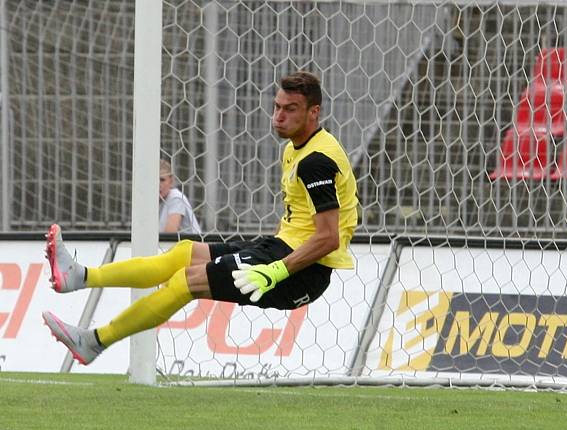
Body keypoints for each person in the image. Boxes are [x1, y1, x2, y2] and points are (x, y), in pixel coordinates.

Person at [42, 71, 360, 365]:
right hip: (281, 249)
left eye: (290, 109)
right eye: (276, 106)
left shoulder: (316, 161)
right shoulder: (298, 148)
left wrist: (275, 271)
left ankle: (95, 341)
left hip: (302, 271)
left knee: (185, 281)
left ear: (313, 112)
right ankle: (81, 276)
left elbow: (328, 237)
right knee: (185, 252)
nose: (278, 116)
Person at [159, 159, 202, 234]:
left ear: (171, 181)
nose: (158, 184)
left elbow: (168, 236)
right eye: (154, 180)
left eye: (162, 180)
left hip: (191, 245)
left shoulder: (176, 198)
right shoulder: (154, 202)